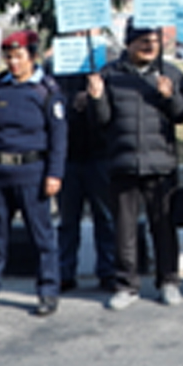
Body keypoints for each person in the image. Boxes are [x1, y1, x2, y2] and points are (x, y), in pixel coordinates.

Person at [90, 19, 183, 309]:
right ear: (128, 43)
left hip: (160, 164)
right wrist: (97, 99)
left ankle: (169, 281)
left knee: (163, 227)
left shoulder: (169, 73)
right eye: (142, 41)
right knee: (125, 230)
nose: (149, 46)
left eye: (154, 41)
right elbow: (101, 122)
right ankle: (126, 285)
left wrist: (169, 97)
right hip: (122, 163)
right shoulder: (109, 75)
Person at [0, 31, 68, 318]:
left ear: (32, 57)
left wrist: (55, 174)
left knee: (41, 237)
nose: (13, 62)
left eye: (18, 56)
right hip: (0, 171)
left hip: (33, 170)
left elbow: (59, 137)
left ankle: (47, 292)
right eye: (8, 57)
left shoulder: (46, 90)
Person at [51, 55, 117, 295]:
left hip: (100, 154)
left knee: (106, 217)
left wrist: (96, 95)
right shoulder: (56, 66)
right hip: (68, 156)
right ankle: (64, 272)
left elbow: (113, 110)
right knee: (68, 220)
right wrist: (71, 101)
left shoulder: (106, 67)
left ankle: (108, 271)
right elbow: (51, 103)